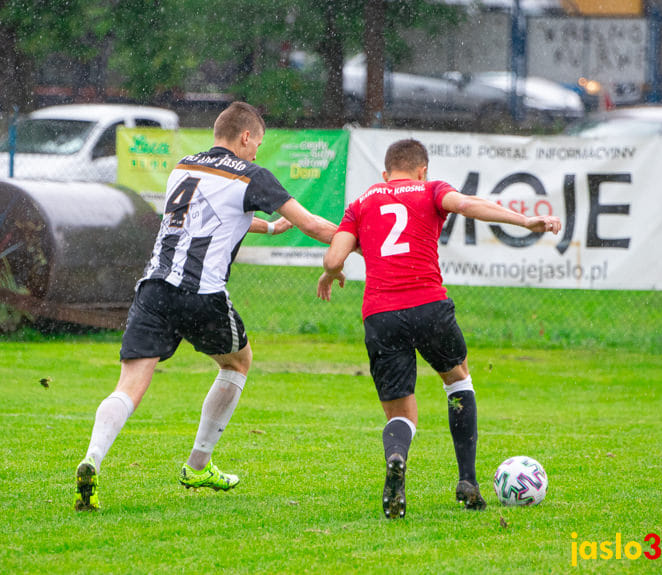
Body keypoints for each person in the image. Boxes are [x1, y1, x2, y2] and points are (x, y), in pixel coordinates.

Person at [74, 101, 338, 511]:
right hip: (201, 294)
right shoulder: (252, 175)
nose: (257, 153)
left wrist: (266, 226)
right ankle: (198, 464)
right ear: (245, 136)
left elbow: (208, 214)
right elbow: (315, 226)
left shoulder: (183, 166)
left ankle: (92, 458)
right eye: (257, 144)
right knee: (237, 362)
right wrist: (358, 241)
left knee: (128, 387)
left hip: (154, 288)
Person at [317, 138, 561, 519]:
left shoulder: (363, 202)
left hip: (381, 314)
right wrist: (525, 221)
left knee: (401, 414)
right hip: (429, 306)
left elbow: (334, 256)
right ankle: (467, 481)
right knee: (458, 380)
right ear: (421, 170)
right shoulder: (431, 189)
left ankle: (397, 456)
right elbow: (467, 204)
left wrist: (331, 274)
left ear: (385, 174)